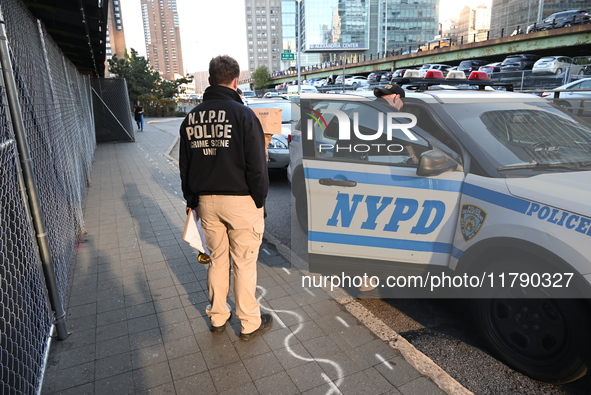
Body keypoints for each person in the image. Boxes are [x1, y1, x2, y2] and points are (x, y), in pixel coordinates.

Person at [179, 55, 272, 341]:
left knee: (217, 260)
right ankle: (248, 322)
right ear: (235, 81)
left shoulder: (191, 117)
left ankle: (218, 315)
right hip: (241, 200)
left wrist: (192, 201)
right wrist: (259, 200)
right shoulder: (244, 115)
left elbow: (185, 165)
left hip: (206, 201)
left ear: (209, 80)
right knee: (243, 263)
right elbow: (257, 166)